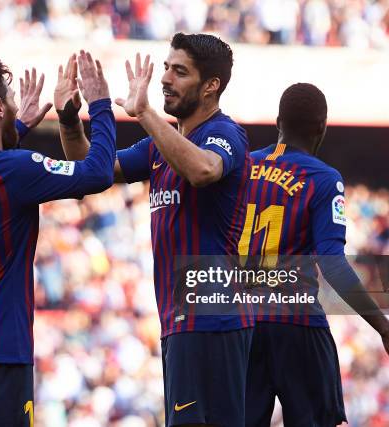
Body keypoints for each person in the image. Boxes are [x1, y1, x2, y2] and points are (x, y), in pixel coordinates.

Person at [55, 34, 254, 427]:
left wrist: (144, 112)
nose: (165, 78)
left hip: (214, 319)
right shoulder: (158, 147)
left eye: (179, 72)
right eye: (166, 67)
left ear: (211, 85)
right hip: (179, 321)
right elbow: (91, 170)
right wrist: (69, 118)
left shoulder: (225, 133)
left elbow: (204, 170)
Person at [0, 54, 115, 427]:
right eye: (9, 98)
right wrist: (101, 105)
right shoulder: (15, 169)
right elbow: (99, 173)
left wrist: (20, 123)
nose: (15, 103)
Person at [242, 83, 389, 427]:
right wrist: (385, 330)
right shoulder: (323, 178)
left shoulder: (244, 168)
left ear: (278, 122)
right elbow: (333, 263)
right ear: (322, 126)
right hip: (297, 324)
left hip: (243, 325)